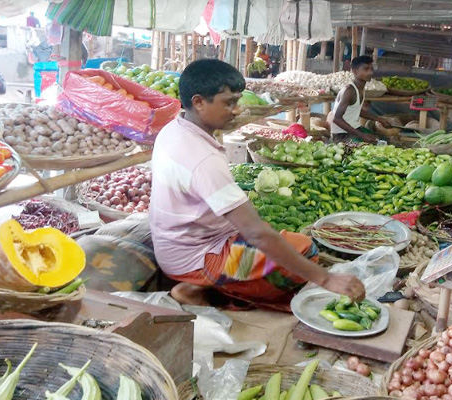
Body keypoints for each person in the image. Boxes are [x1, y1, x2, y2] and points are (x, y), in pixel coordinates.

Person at [149, 59, 366, 310]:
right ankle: (208, 292)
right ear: (199, 102)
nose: (236, 110)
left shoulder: (174, 129)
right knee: (304, 252)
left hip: (177, 244)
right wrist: (325, 278)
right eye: (228, 102)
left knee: (285, 245)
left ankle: (212, 286)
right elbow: (257, 233)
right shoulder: (202, 159)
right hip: (196, 258)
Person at [328, 55, 391, 143]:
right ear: (355, 71)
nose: (370, 73)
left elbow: (357, 110)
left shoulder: (361, 88)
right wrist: (362, 135)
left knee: (384, 140)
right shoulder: (349, 91)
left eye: (371, 69)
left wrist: (379, 119)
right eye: (366, 69)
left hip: (355, 129)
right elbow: (337, 119)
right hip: (341, 135)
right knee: (373, 145)